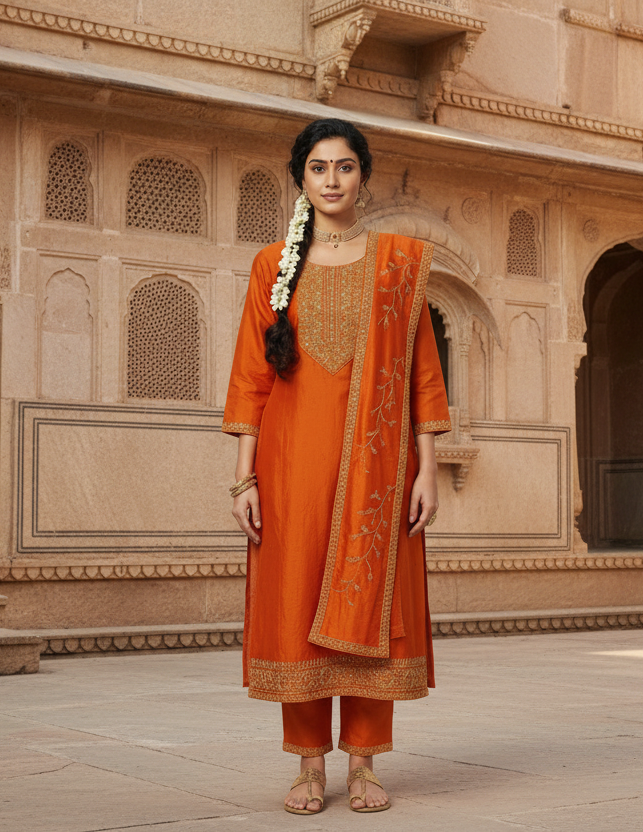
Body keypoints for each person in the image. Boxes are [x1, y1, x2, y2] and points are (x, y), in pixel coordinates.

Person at [222, 117, 450, 814]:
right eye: (318, 168)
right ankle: (309, 766)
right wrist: (244, 479)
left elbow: (422, 374)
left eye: (344, 167)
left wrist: (428, 467)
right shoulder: (272, 265)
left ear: (363, 175)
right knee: (295, 611)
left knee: (373, 615)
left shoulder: (399, 262)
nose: (331, 180)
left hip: (378, 473)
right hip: (290, 471)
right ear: (302, 178)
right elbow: (251, 377)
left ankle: (364, 765)